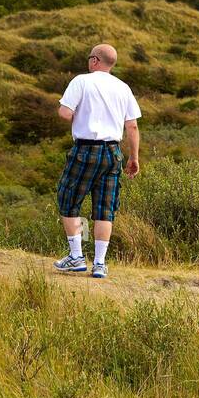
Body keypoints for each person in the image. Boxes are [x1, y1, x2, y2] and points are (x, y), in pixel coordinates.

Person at [52, 43, 141, 279]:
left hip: (85, 150)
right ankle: (99, 263)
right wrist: (133, 157)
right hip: (113, 153)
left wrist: (75, 113)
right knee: (104, 208)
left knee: (69, 199)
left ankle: (76, 256)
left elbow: (65, 112)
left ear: (94, 60)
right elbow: (132, 126)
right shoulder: (123, 87)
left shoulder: (82, 81)